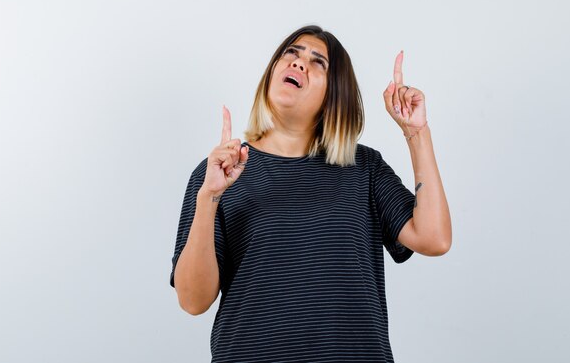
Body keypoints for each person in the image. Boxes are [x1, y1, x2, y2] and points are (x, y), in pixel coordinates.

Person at [170, 25, 452, 363]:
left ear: (335, 95)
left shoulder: (363, 167)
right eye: (291, 53)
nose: (299, 63)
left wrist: (417, 133)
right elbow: (193, 301)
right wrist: (209, 198)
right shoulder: (217, 173)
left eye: (318, 62)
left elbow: (434, 238)